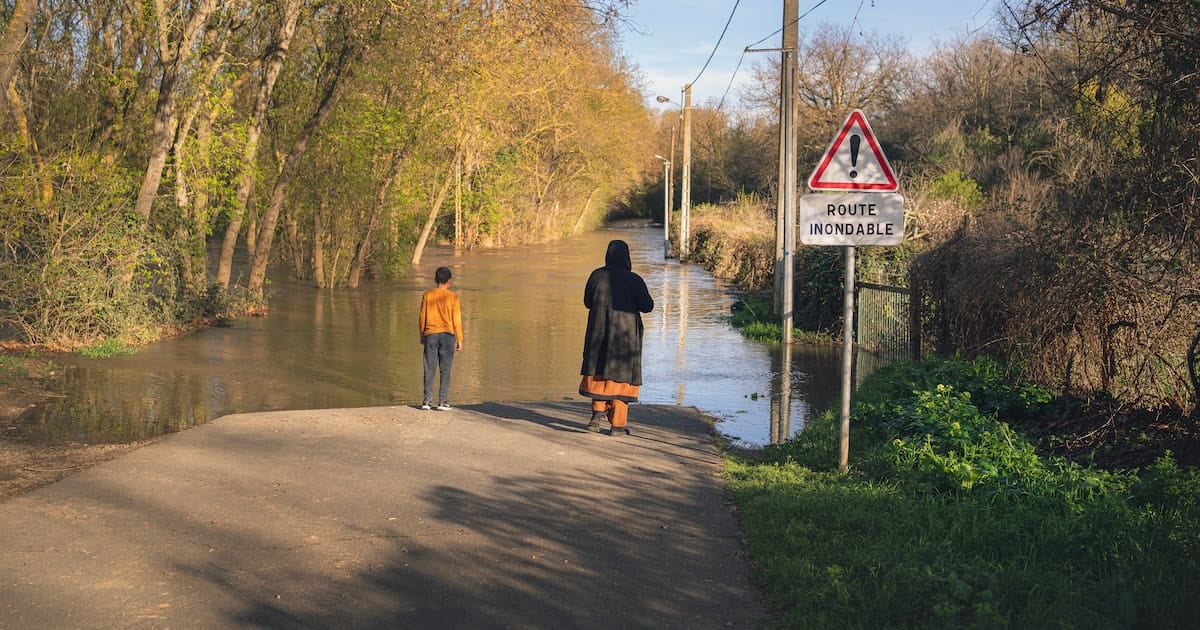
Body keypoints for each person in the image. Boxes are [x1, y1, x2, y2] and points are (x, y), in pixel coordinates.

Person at [579, 239, 654, 436]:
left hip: (598, 333)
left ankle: (596, 417)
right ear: (626, 257)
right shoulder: (634, 280)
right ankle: (617, 426)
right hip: (625, 336)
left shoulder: (596, 276)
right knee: (622, 378)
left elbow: (587, 302)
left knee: (598, 371)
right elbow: (647, 306)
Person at [419, 266, 463, 411]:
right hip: (447, 335)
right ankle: (443, 402)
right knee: (445, 369)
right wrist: (460, 339)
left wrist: (422, 335)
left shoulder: (427, 295)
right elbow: (457, 319)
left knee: (429, 368)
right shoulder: (453, 297)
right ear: (449, 281)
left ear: (435, 280)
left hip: (431, 334)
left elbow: (422, 318)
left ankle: (427, 401)